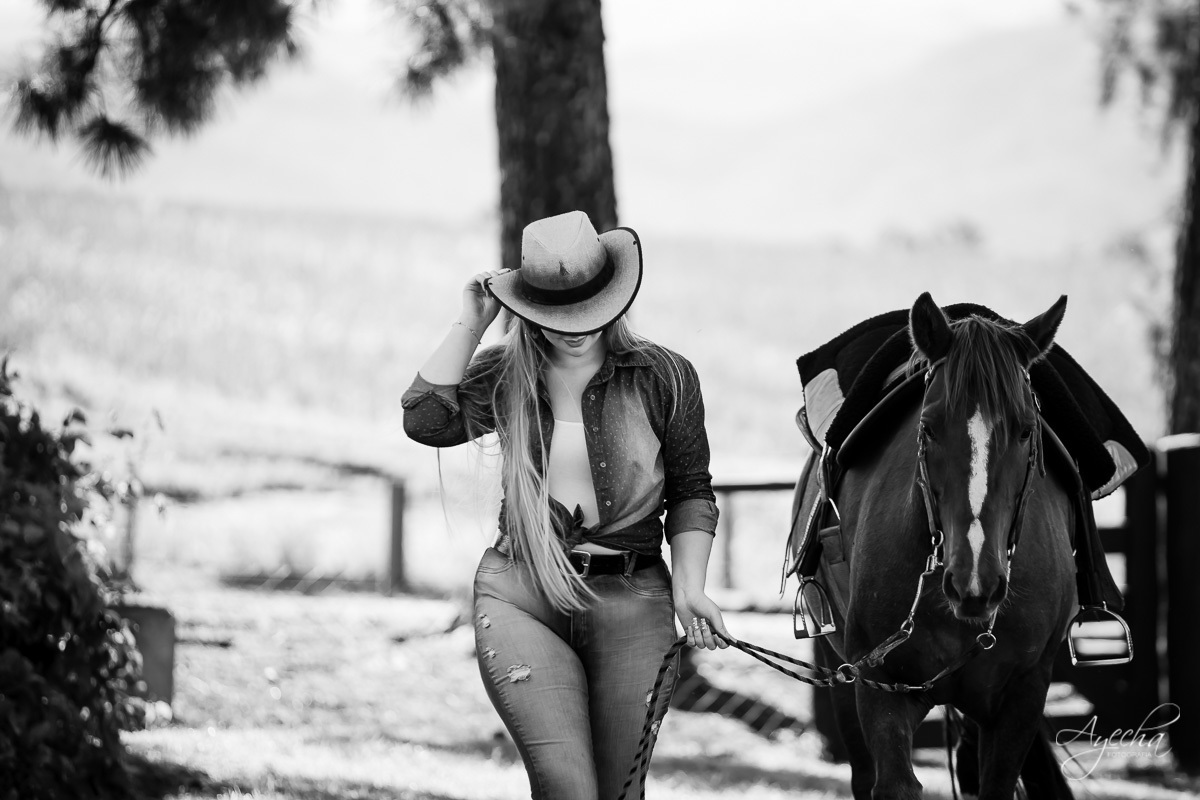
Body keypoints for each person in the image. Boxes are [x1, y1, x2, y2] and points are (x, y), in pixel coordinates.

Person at [402, 210, 730, 799]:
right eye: (557, 314)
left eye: (587, 309)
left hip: (633, 601)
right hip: (520, 594)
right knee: (565, 788)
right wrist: (470, 324)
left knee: (618, 793)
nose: (574, 326)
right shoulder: (506, 374)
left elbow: (691, 492)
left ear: (613, 296)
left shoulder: (666, 377)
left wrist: (689, 586)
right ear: (530, 308)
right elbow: (425, 419)